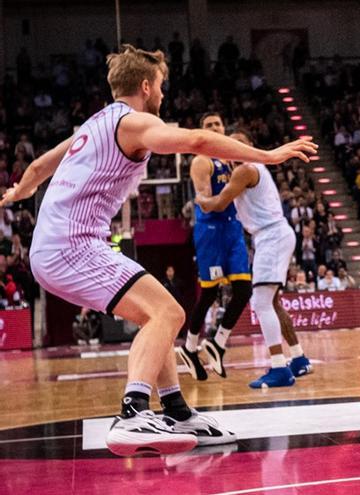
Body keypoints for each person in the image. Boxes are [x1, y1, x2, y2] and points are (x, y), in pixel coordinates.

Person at [1, 45, 316, 456]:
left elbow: (40, 167)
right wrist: (267, 156)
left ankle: (176, 410)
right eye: (162, 87)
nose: (164, 96)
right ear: (146, 86)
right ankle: (132, 413)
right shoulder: (134, 123)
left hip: (57, 246)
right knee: (170, 314)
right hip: (71, 245)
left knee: (161, 313)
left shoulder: (93, 124)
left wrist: (19, 191)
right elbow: (199, 139)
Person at [195, 130, 315, 388]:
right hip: (275, 234)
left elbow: (218, 203)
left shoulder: (244, 170)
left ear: (250, 146)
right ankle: (298, 357)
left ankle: (279, 368)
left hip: (271, 236)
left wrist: (201, 199)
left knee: (261, 303)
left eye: (240, 144)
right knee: (273, 302)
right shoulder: (253, 167)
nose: (234, 148)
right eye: (231, 145)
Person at [178, 113, 255, 382]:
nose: (214, 128)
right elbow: (202, 195)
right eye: (209, 126)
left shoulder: (231, 160)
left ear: (224, 128)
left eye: (218, 124)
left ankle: (218, 342)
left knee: (244, 290)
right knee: (209, 294)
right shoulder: (202, 160)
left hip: (232, 229)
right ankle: (189, 346)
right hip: (210, 230)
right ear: (202, 131)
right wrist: (203, 199)